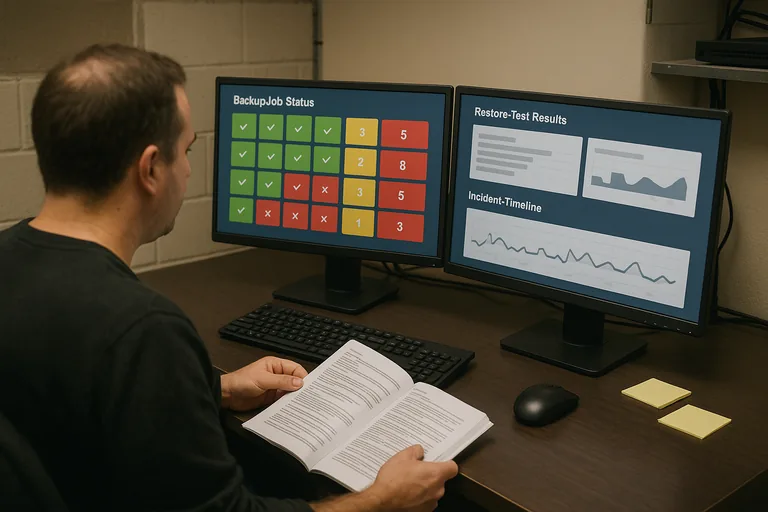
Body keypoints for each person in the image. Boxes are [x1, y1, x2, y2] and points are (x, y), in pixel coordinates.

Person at [0, 44, 458, 512]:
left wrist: (213, 390)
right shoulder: (143, 329)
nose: (190, 168)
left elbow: (59, 396)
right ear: (151, 168)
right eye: (187, 150)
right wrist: (382, 500)